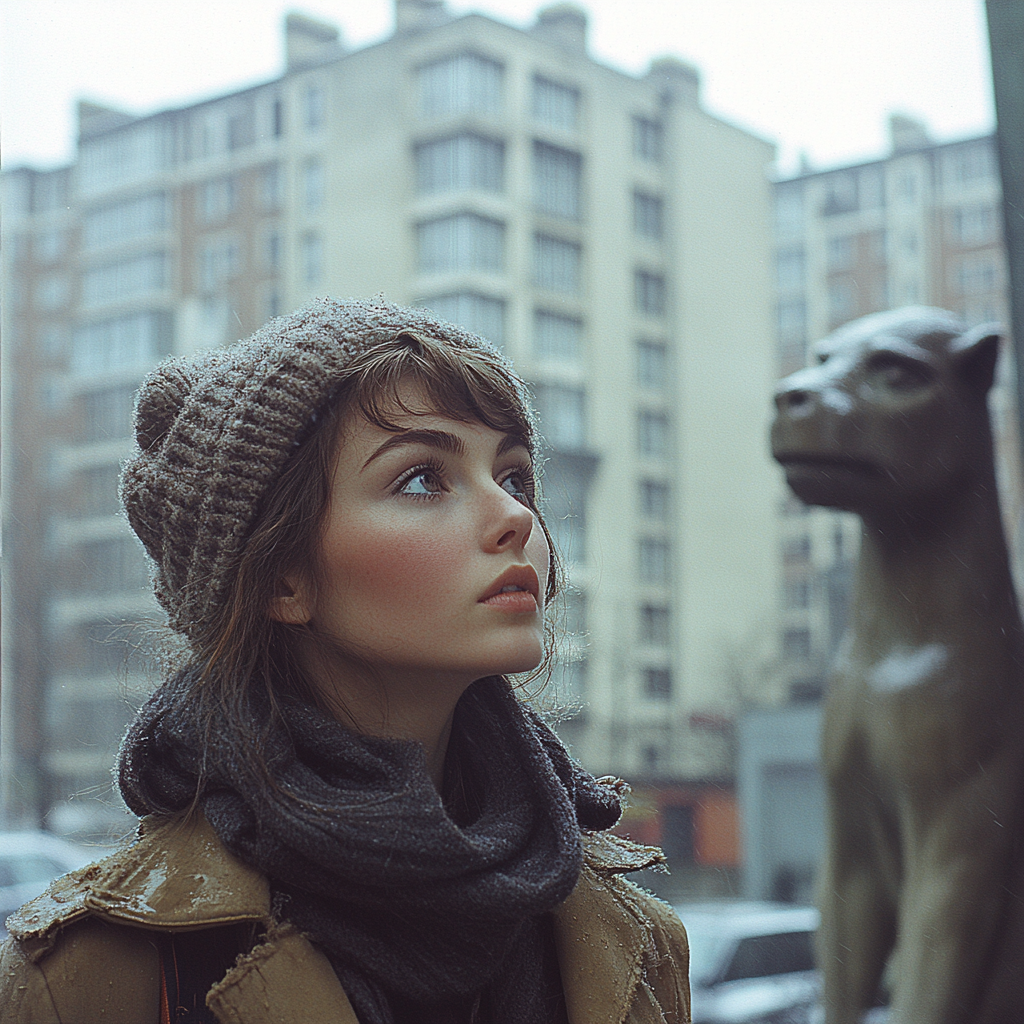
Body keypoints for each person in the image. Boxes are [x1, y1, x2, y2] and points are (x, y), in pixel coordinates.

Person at [0, 299, 690, 1024]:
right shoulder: (91, 977)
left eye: (513, 476)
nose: (515, 516)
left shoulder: (638, 943)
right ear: (282, 577)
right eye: (422, 478)